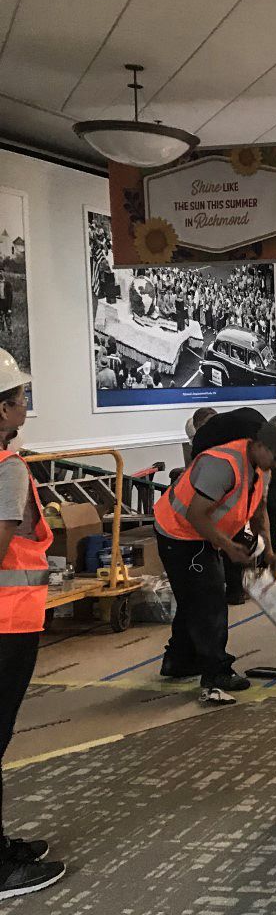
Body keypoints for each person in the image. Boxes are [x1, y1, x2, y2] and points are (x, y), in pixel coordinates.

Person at [153, 421, 276, 705]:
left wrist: (269, 550)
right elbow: (196, 514)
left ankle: (178, 661)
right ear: (261, 446)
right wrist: (228, 546)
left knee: (194, 597)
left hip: (202, 533)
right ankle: (216, 672)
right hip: (180, 533)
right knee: (209, 600)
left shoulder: (261, 469)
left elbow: (258, 512)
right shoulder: (222, 465)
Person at [0, 350, 67, 900]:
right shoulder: (6, 467)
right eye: (21, 397)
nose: (26, 406)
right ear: (2, 408)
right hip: (6, 623)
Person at [190, 407, 276, 585]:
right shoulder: (240, 420)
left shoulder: (205, 438)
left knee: (269, 512)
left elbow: (257, 512)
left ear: (198, 426)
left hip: (269, 460)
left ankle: (261, 572)